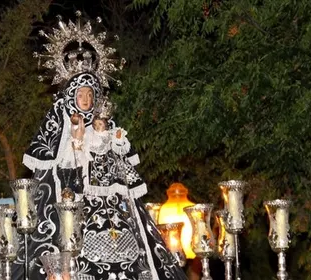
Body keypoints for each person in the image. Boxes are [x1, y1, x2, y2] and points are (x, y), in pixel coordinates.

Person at [17, 72, 187, 280]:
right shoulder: (63, 131)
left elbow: (120, 167)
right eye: (81, 95)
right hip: (77, 209)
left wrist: (111, 142)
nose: (86, 100)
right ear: (71, 97)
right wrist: (77, 143)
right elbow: (62, 177)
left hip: (115, 208)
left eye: (90, 95)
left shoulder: (104, 129)